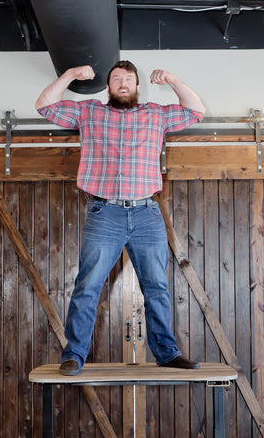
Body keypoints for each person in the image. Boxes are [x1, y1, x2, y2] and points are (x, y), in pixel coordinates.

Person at [35, 60, 205, 375]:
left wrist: (173, 80)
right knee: (88, 285)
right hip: (104, 213)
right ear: (109, 86)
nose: (122, 83)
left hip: (147, 213)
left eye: (128, 78)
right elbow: (44, 106)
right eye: (116, 79)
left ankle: (167, 353)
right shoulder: (88, 112)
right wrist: (71, 74)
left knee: (156, 286)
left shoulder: (156, 113)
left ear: (137, 86)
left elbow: (196, 111)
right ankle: (73, 355)